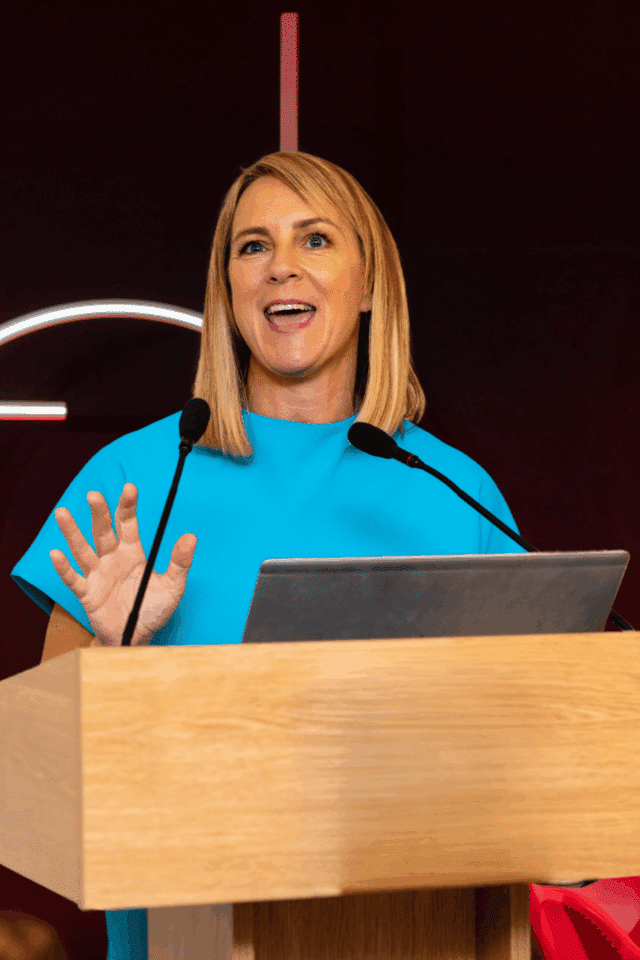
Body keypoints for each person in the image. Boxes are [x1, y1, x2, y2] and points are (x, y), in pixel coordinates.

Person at [11, 150, 526, 960]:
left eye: (315, 239)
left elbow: (527, 749)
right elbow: (40, 781)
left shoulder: (455, 491)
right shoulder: (134, 480)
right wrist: (114, 660)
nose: (282, 264)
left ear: (370, 284)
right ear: (228, 292)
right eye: (253, 246)